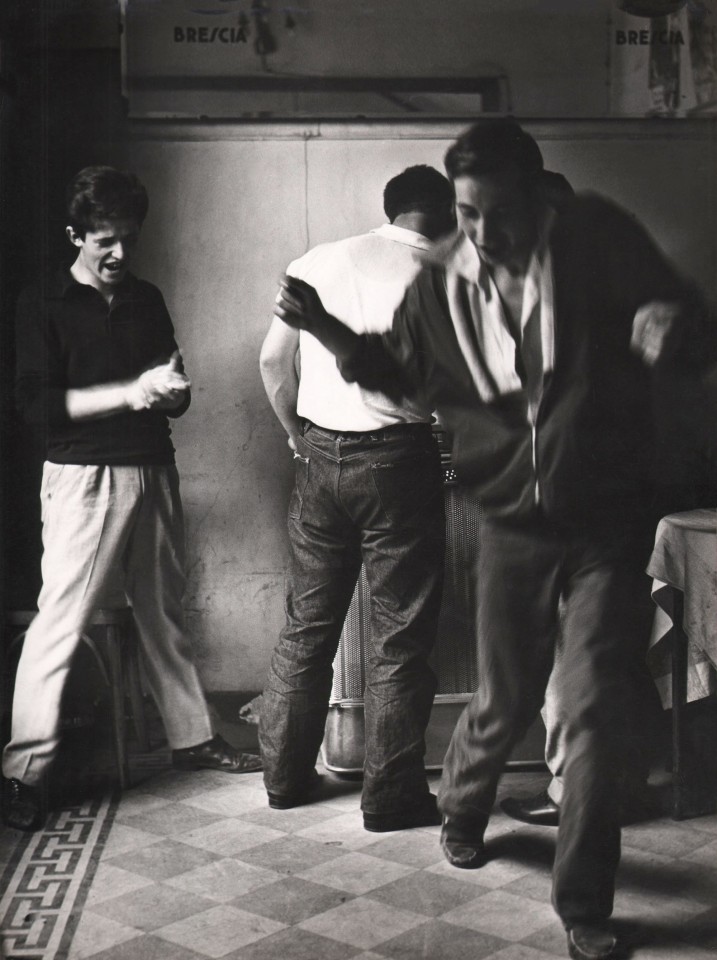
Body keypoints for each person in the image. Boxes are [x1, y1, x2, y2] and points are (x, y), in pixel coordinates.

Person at [271, 120, 715, 960]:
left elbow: (687, 313)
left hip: (605, 526)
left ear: (540, 201)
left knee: (588, 714)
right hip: (510, 526)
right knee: (505, 697)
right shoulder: (442, 281)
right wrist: (325, 326)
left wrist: (671, 324)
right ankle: (466, 803)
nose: (481, 234)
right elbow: (389, 368)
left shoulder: (599, 239)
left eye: (497, 213)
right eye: (466, 215)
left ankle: (583, 904)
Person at [1, 166, 262, 834]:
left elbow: (175, 391)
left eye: (127, 240)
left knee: (164, 614)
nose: (119, 254)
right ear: (75, 234)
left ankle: (192, 738)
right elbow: (35, 406)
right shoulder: (43, 301)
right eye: (104, 241)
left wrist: (171, 392)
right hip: (84, 476)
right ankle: (23, 773)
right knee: (60, 622)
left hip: (152, 467)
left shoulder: (145, 297)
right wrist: (132, 392)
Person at [258, 165, 454, 832]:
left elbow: (269, 363)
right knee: (398, 636)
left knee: (307, 625)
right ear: (441, 212)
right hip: (399, 460)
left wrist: (296, 438)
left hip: (318, 453)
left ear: (391, 208)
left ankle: (284, 780)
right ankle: (390, 798)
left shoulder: (315, 259)